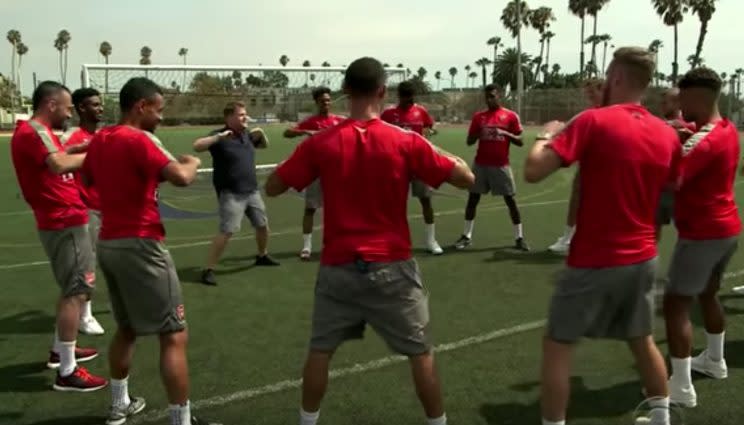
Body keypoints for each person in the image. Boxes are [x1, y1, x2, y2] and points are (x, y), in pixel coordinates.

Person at [265, 57, 474, 425]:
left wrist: (307, 155)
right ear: (382, 92)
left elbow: (274, 186)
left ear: (346, 92)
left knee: (320, 351)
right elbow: (465, 179)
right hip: (392, 265)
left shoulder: (322, 142)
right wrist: (449, 156)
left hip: (338, 267)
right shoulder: (404, 140)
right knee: (421, 353)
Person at [524, 47, 678, 425]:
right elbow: (670, 195)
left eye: (609, 76)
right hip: (643, 256)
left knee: (558, 345)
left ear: (619, 78)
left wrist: (545, 136)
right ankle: (662, 417)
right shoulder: (666, 134)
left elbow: (533, 171)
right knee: (641, 339)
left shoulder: (593, 121)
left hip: (595, 257)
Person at [82, 77, 218, 425]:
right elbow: (181, 177)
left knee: (126, 328)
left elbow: (91, 181)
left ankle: (118, 404)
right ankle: (181, 420)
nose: (160, 117)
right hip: (141, 243)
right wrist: (192, 162)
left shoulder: (100, 140)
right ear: (141, 106)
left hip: (109, 242)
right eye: (158, 110)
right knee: (173, 333)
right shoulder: (138, 139)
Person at [10, 81, 107, 392]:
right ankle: (67, 371)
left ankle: (60, 350)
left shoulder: (39, 133)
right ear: (51, 105)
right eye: (66, 108)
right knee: (76, 292)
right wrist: (98, 154)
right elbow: (58, 164)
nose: (69, 115)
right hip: (64, 219)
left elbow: (57, 155)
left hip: (63, 218)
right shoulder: (35, 130)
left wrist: (78, 148)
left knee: (72, 288)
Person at [663, 67, 741, 408]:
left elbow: (669, 180)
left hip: (701, 234)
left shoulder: (701, 142)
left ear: (698, 96)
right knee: (708, 295)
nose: (680, 104)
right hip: (726, 230)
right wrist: (673, 129)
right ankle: (715, 361)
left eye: (683, 97)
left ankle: (680, 387)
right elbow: (691, 133)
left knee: (676, 306)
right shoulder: (728, 129)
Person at [196, 102, 279, 286]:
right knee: (227, 231)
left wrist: (260, 134)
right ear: (229, 118)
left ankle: (262, 255)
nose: (245, 117)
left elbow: (264, 145)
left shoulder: (246, 136)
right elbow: (197, 146)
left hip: (252, 191)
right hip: (231, 194)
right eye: (241, 115)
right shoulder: (220, 136)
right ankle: (208, 269)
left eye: (245, 114)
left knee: (262, 225)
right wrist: (218, 137)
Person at [454, 84, 529, 252]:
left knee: (510, 200)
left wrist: (506, 134)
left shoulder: (510, 116)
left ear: (499, 96)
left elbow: (520, 140)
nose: (489, 100)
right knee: (473, 199)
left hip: (501, 166)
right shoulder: (479, 117)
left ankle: (519, 238)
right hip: (480, 165)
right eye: (487, 97)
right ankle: (466, 235)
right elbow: (469, 141)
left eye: (492, 96)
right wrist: (478, 133)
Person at [61, 87, 106, 336]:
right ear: (81, 108)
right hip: (87, 209)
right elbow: (60, 164)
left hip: (109, 207)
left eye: (100, 104)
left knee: (111, 258)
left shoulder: (103, 134)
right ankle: (85, 316)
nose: (100, 108)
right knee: (87, 264)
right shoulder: (74, 138)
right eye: (95, 105)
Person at [381, 81, 443, 255]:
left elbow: (431, 127)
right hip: (396, 164)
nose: (409, 101)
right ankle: (390, 240)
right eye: (406, 97)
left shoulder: (420, 111)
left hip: (419, 163)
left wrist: (431, 132)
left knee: (426, 200)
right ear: (399, 96)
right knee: (393, 203)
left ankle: (431, 240)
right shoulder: (388, 114)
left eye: (412, 97)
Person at [284, 87, 345, 260]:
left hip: (336, 172)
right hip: (316, 172)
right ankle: (307, 246)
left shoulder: (339, 120)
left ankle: (336, 242)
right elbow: (287, 132)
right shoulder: (311, 121)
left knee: (338, 210)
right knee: (310, 209)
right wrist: (305, 131)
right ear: (317, 103)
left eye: (328, 100)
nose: (326, 103)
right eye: (322, 100)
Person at [547, 78, 604, 254]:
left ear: (603, 90)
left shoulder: (606, 112)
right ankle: (571, 236)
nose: (589, 96)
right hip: (590, 162)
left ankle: (570, 239)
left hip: (602, 165)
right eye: (587, 93)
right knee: (579, 195)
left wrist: (550, 134)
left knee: (585, 198)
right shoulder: (594, 112)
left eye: (592, 92)